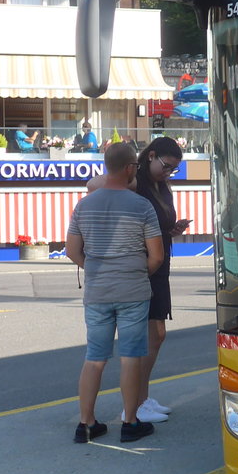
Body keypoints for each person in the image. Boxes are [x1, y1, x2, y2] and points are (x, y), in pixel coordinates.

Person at [66, 142, 164, 444]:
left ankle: (86, 424)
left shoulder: (84, 205)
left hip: (97, 291)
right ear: (130, 168)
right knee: (131, 356)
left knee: (94, 357)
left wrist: (96, 268)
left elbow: (72, 251)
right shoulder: (142, 206)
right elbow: (157, 256)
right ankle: (130, 422)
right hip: (132, 290)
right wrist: (134, 272)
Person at [132, 137, 191, 422]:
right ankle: (134, 402)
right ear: (151, 155)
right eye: (166, 166)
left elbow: (158, 227)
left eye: (173, 170)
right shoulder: (135, 181)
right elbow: (95, 186)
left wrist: (172, 229)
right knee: (151, 336)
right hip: (145, 266)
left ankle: (141, 397)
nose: (169, 173)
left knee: (156, 336)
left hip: (160, 261)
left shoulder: (160, 186)